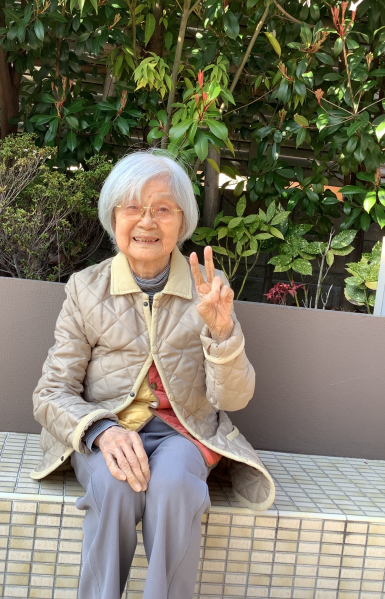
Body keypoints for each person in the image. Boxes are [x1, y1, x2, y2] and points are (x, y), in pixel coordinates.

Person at [31, 150, 276, 599]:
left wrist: (223, 332)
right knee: (114, 488)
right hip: (108, 429)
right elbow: (51, 391)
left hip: (184, 432)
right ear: (113, 217)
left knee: (175, 488)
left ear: (182, 222)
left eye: (162, 208)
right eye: (133, 207)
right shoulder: (86, 288)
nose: (147, 221)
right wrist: (102, 431)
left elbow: (233, 399)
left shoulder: (208, 288)